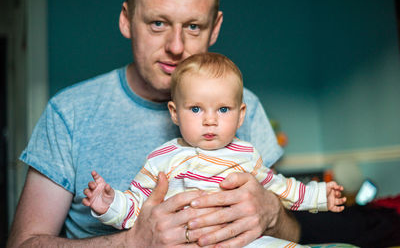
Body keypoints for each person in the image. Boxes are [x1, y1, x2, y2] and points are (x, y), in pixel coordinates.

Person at [7, 0, 302, 247]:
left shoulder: (243, 108)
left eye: (194, 27)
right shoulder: (70, 112)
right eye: (158, 23)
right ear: (127, 19)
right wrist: (134, 241)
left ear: (215, 28)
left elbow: (293, 234)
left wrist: (273, 214)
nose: (176, 47)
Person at [82, 52, 346, 246]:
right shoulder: (163, 158)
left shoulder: (247, 155)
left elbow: (280, 188)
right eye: (196, 109)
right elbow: (138, 207)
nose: (210, 120)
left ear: (241, 115)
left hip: (242, 242)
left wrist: (320, 196)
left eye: (223, 109)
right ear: (175, 113)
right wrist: (109, 204)